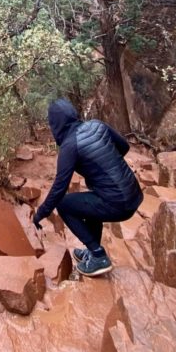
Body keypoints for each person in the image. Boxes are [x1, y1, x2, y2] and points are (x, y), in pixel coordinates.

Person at [32, 98, 143, 277]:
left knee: (64, 205)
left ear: (56, 125)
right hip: (135, 194)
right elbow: (124, 146)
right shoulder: (97, 125)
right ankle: (93, 251)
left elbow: (60, 188)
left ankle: (99, 256)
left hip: (119, 204)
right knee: (91, 201)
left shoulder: (69, 147)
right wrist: (108, 164)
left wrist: (40, 214)